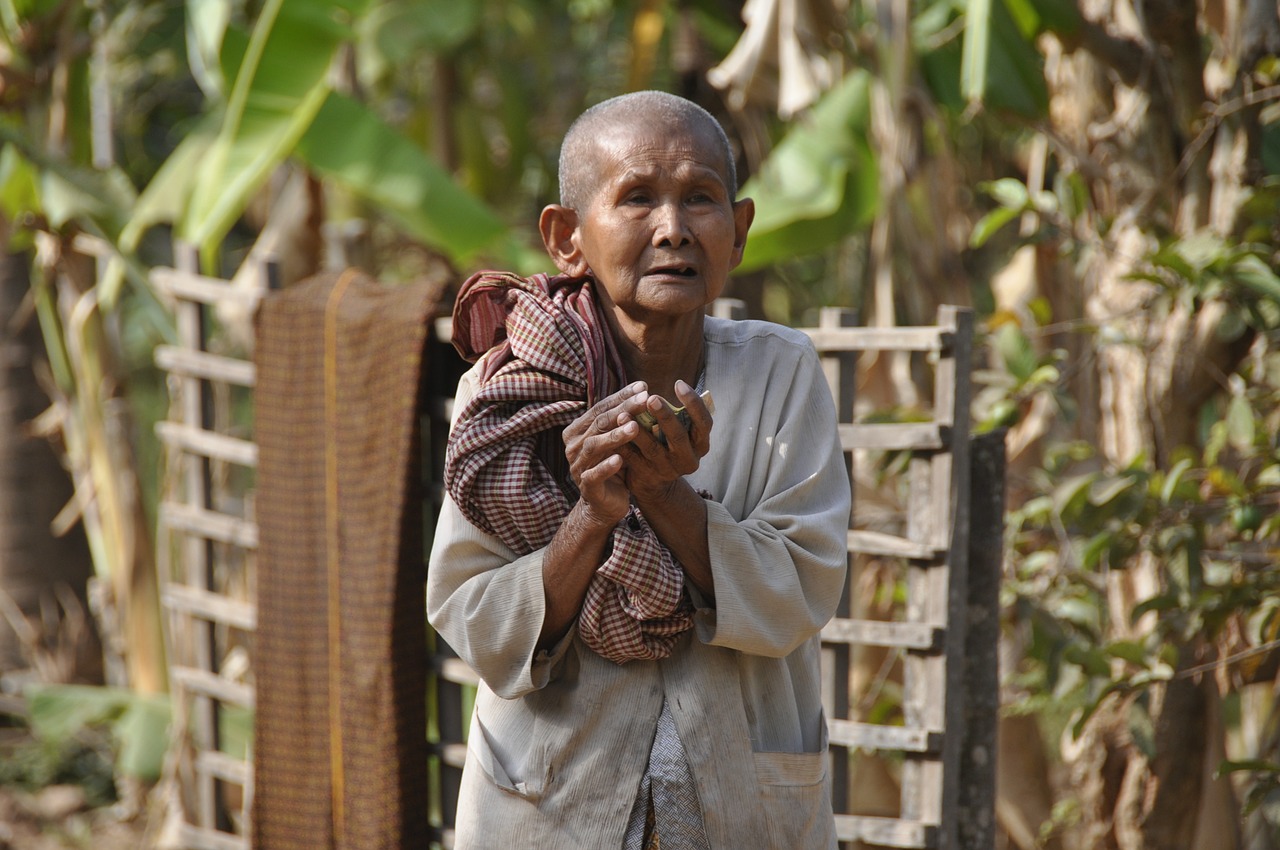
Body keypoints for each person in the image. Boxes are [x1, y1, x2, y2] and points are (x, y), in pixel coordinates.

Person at [427, 90, 851, 849]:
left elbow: (801, 592)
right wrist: (593, 514)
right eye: (637, 199)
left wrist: (665, 496)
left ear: (740, 230)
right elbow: (476, 619)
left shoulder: (782, 372)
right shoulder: (505, 392)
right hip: (548, 805)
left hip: (744, 814)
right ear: (566, 238)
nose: (674, 230)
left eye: (700, 199)